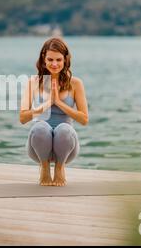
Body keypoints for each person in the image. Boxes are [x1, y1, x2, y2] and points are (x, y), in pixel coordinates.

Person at [19, 37, 89, 186]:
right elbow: (23, 118)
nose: (55, 64)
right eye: (50, 59)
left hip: (66, 146)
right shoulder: (33, 82)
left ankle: (59, 168)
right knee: (40, 127)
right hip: (37, 146)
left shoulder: (75, 83)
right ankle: (44, 168)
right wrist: (47, 103)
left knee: (64, 129)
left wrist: (58, 102)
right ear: (43, 59)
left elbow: (84, 119)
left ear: (65, 60)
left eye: (59, 60)